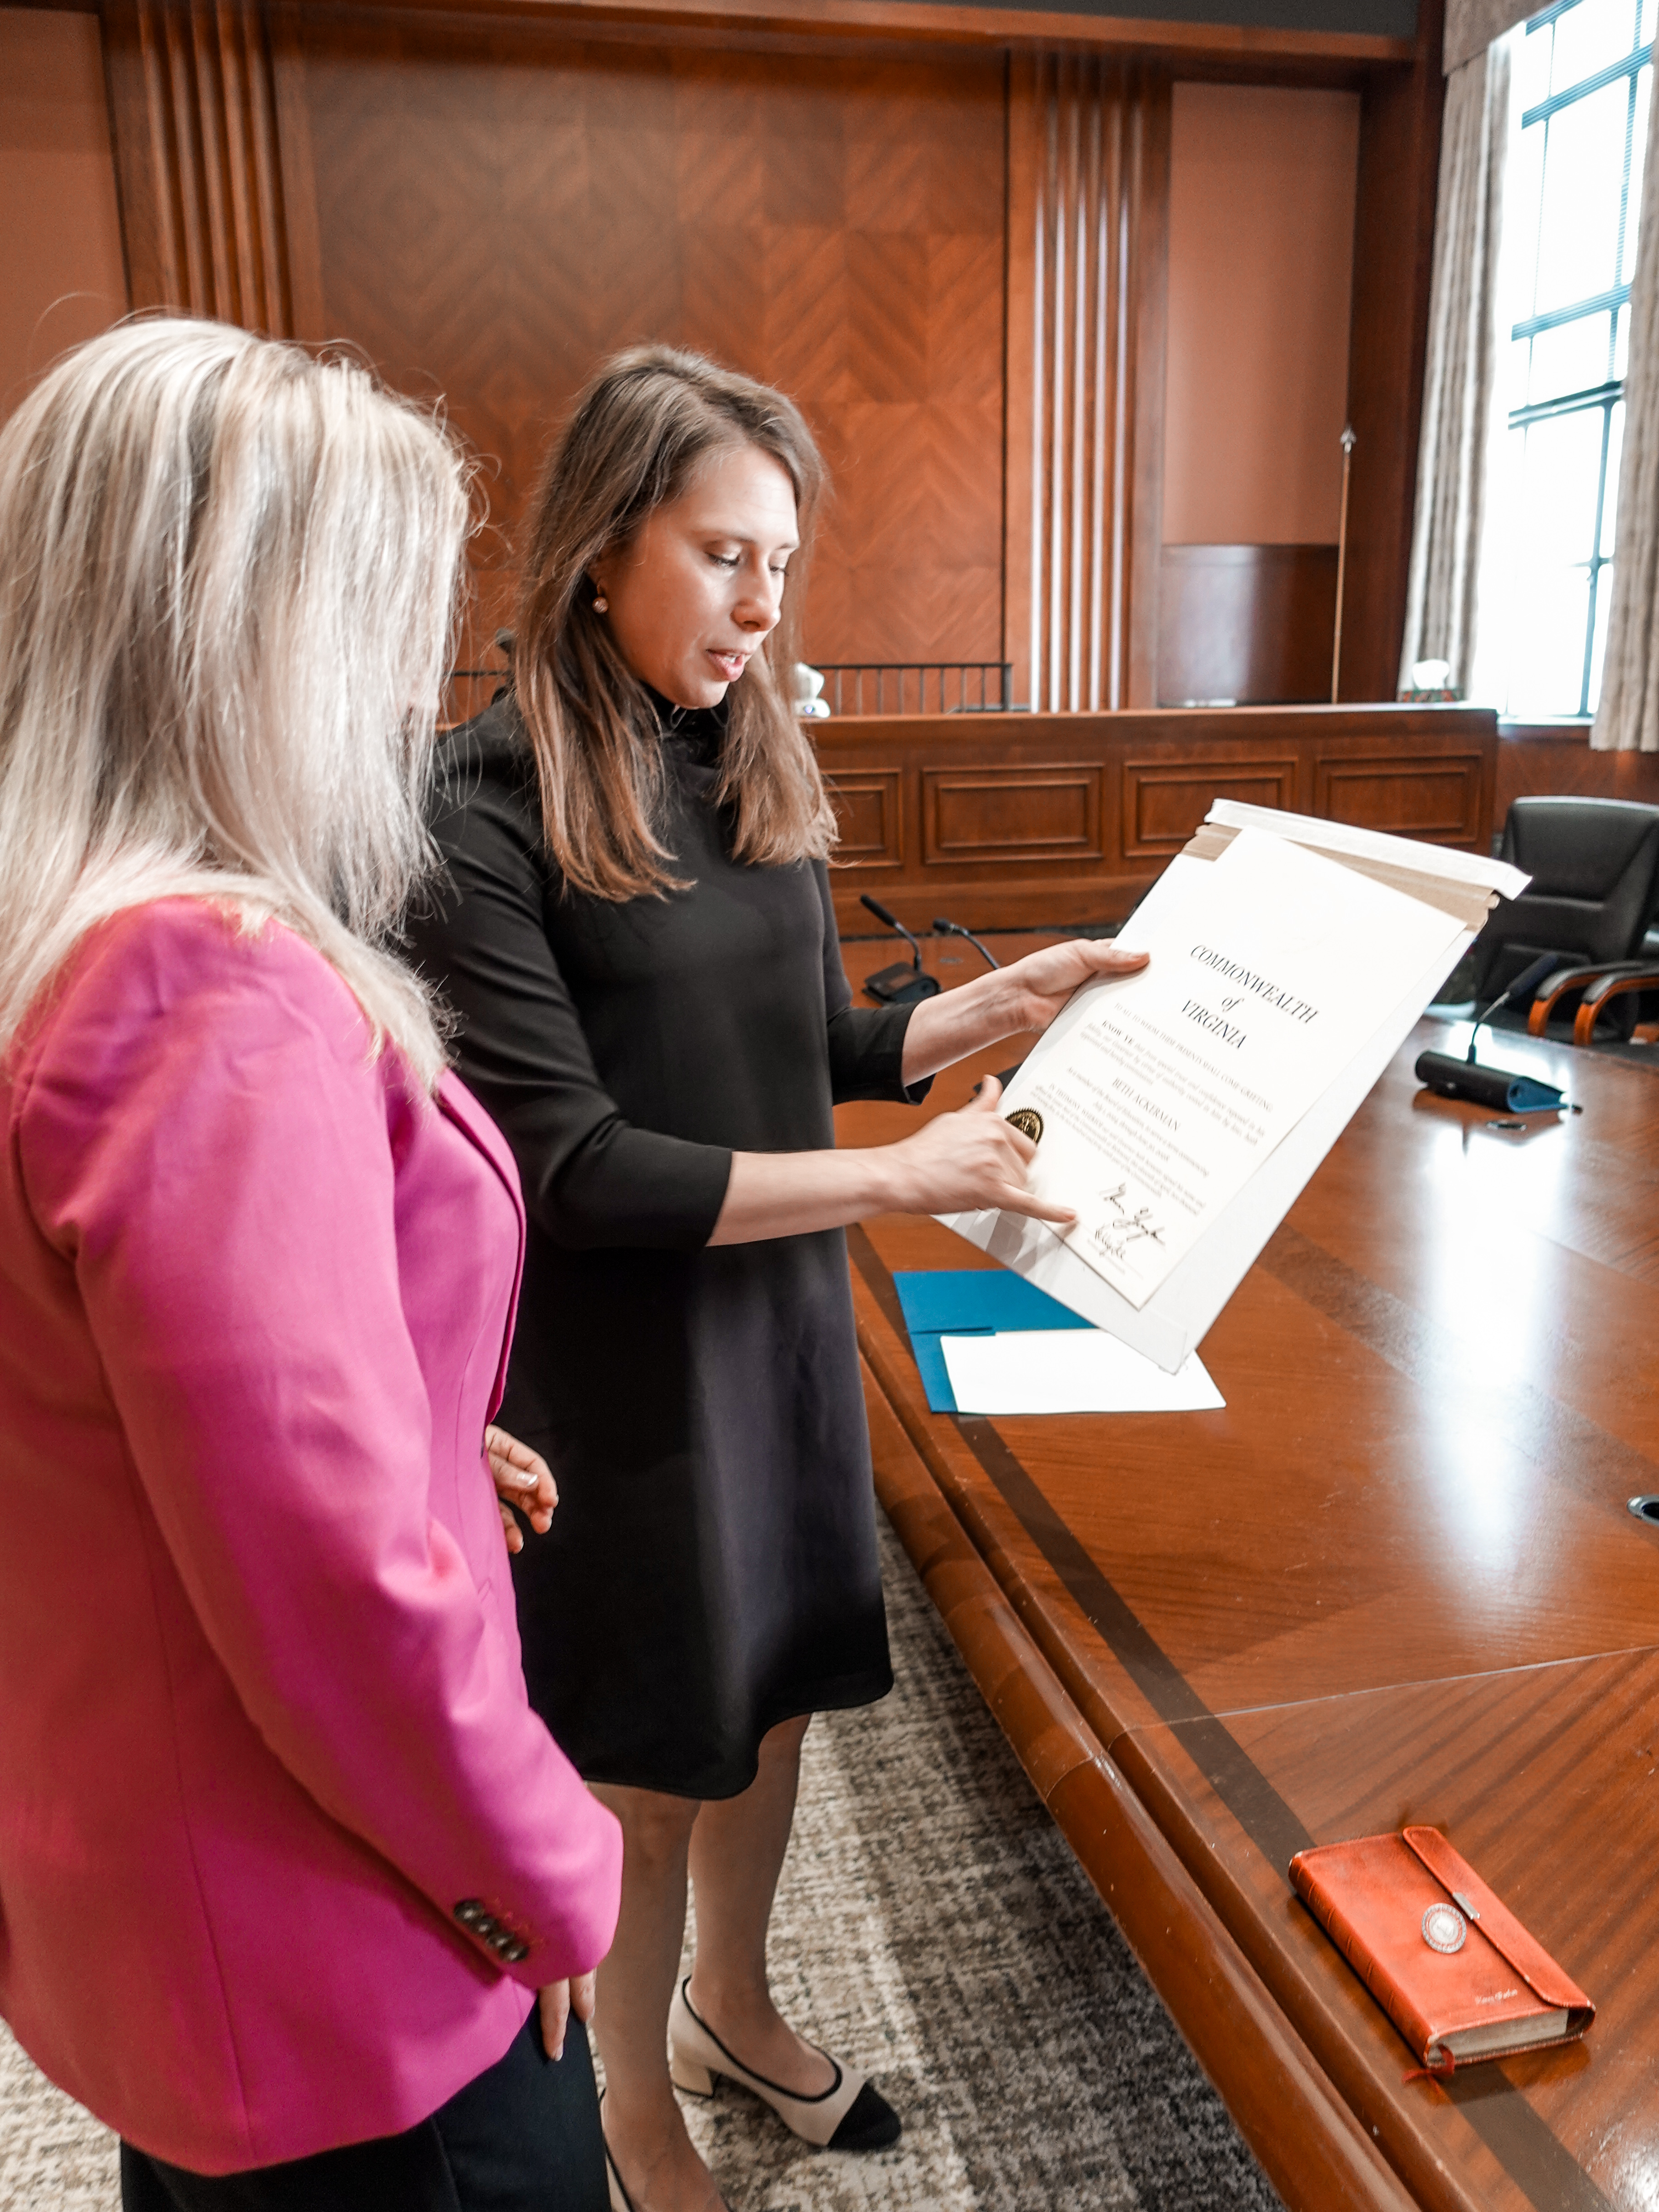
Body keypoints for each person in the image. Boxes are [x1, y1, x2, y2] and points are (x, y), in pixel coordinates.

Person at [405, 343, 1146, 2212]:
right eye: (727, 556)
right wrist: (902, 1176)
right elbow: (573, 1164)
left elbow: (800, 1032)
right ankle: (631, 2096)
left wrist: (983, 1006)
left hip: (781, 1325)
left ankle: (737, 2001)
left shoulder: (739, 745)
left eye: (784, 570)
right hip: (624, 1362)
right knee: (654, 1760)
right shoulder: (479, 807)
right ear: (600, 545)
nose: (764, 608)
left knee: (779, 1694)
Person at [0, 320, 624, 2212]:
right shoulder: (207, 984)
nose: (399, 698)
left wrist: (435, 1429)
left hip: (170, 1924)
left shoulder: (56, 942)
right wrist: (551, 1872)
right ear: (236, 635)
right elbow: (333, 1582)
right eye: (381, 628)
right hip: (348, 1968)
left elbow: (110, 1413)